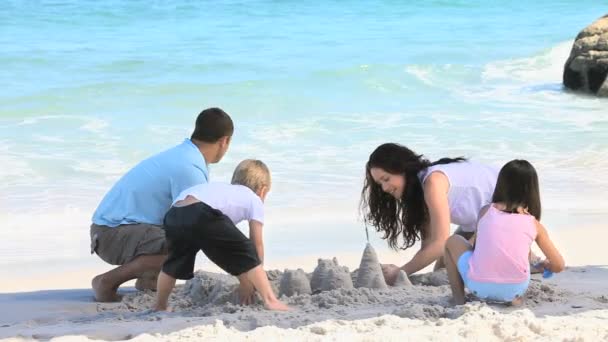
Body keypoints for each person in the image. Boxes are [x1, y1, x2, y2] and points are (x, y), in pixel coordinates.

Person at [90, 107, 233, 302]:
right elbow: (198, 225)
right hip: (112, 236)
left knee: (184, 231)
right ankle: (106, 282)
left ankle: (149, 280)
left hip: (109, 231)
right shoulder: (190, 169)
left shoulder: (185, 155)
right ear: (224, 141)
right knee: (188, 242)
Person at [154, 159, 289, 311]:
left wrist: (244, 280)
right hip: (200, 211)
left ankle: (160, 306)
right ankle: (270, 300)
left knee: (173, 263)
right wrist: (254, 278)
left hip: (175, 212)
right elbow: (255, 243)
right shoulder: (254, 199)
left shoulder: (222, 191)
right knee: (247, 249)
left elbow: (223, 250)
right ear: (263, 191)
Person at [360, 143, 498, 284]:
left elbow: (440, 243)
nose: (384, 188)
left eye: (386, 179)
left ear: (402, 169)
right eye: (379, 184)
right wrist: (402, 272)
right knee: (442, 268)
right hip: (482, 222)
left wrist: (400, 272)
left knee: (455, 262)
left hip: (512, 210)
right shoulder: (420, 190)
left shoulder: (433, 182)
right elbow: (429, 245)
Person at [444, 159, 565, 305]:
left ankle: (458, 299)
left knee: (452, 241)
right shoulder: (534, 224)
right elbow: (559, 265)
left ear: (501, 183)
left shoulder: (486, 211)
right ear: (532, 189)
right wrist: (545, 265)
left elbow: (480, 250)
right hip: (515, 288)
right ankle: (511, 298)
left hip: (478, 286)